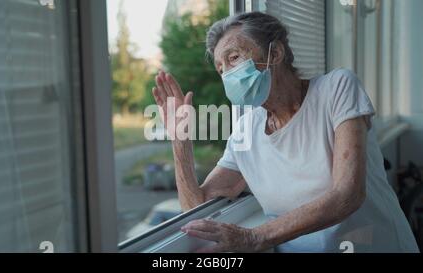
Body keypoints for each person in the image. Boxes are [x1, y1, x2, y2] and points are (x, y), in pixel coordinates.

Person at [152, 11, 419, 253]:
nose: (227, 75)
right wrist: (180, 140)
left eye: (233, 58)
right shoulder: (245, 131)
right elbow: (196, 209)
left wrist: (254, 238)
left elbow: (347, 196)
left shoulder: (336, 88)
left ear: (276, 53)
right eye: (221, 69)